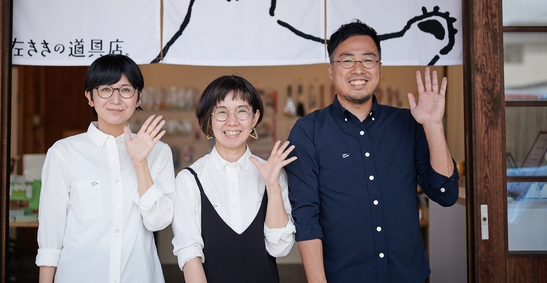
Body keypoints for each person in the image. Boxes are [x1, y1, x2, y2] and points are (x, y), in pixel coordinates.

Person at [285, 21, 459, 283]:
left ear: (379, 68)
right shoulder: (308, 131)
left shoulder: (409, 123)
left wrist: (434, 126)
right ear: (331, 70)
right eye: (347, 61)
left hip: (408, 277)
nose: (359, 69)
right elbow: (306, 217)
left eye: (368, 60)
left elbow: (445, 194)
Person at [36, 54, 175, 283]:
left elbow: (158, 222)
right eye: (105, 90)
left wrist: (140, 163)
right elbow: (51, 234)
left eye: (126, 90)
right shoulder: (64, 153)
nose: (116, 99)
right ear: (90, 97)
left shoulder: (159, 152)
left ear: (138, 97)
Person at [172, 75, 296, 283]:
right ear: (209, 119)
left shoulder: (273, 174)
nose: (232, 121)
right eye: (222, 112)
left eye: (241, 111)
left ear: (254, 118)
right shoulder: (189, 179)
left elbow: (280, 248)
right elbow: (189, 252)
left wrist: (273, 186)